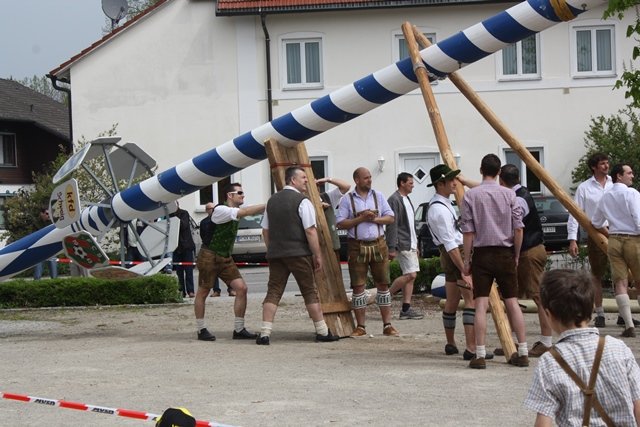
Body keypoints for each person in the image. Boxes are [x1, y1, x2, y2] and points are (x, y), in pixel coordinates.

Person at [524, 269, 640, 426]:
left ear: (548, 314)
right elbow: (637, 408)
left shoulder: (549, 361)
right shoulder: (619, 349)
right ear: (592, 307)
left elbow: (543, 422)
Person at [256, 166, 340, 345]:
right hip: (298, 253)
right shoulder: (303, 201)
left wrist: (272, 249)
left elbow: (265, 230)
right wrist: (317, 255)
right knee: (309, 291)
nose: (306, 180)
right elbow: (310, 231)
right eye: (303, 177)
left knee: (273, 291)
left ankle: (264, 332)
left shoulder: (271, 201)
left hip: (276, 254)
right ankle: (322, 331)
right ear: (292, 180)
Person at [460, 154, 528, 369]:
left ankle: (479, 353)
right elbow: (518, 228)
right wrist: (516, 254)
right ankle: (523, 350)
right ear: (499, 172)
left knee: (481, 303)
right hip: (505, 251)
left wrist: (466, 260)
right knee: (512, 301)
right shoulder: (510, 195)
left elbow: (468, 232)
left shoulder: (471, 196)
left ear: (481, 170)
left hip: (482, 253)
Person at [427, 164, 491, 361]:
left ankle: (450, 343)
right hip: (455, 253)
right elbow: (450, 245)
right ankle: (472, 347)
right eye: (451, 180)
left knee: (452, 300)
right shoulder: (439, 210)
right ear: (440, 183)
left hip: (451, 253)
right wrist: (464, 268)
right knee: (470, 300)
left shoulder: (442, 204)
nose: (455, 182)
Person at [194, 183, 264, 342]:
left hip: (225, 256)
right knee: (203, 292)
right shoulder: (221, 210)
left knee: (242, 288)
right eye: (239, 193)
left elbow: (247, 210)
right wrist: (268, 204)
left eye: (243, 193)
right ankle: (201, 329)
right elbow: (245, 211)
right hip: (209, 255)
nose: (242, 196)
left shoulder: (233, 211)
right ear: (229, 196)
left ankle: (239, 329)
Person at [336, 167, 398, 337]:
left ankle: (387, 325)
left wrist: (374, 219)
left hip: (379, 243)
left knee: (383, 284)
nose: (369, 180)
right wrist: (360, 219)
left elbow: (391, 217)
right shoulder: (347, 199)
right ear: (357, 180)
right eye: (366, 178)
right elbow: (340, 223)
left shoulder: (378, 196)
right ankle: (361, 327)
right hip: (356, 245)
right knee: (358, 286)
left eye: (370, 177)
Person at [498, 164, 552, 357]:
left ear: (501, 180)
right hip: (527, 250)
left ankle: (546, 341)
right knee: (510, 296)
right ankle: (511, 340)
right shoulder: (519, 193)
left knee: (538, 296)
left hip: (528, 251)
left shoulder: (519, 199)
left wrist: (516, 254)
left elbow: (517, 228)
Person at [591, 163, 640, 338]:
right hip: (634, 239)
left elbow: (596, 222)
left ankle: (628, 324)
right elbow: (638, 217)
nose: (632, 176)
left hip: (614, 239)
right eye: (629, 173)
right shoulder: (632, 193)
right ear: (619, 176)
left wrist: (610, 230)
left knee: (620, 282)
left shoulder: (605, 196)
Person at [567, 152, 613, 328]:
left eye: (607, 162)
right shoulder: (584, 188)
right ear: (594, 167)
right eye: (602, 163)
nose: (606, 166)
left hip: (616, 231)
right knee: (597, 275)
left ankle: (624, 315)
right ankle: (600, 312)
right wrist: (573, 239)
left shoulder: (614, 184)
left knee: (620, 275)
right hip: (596, 235)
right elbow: (575, 214)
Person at [386, 172, 423, 320]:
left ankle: (406, 309)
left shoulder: (407, 199)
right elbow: (392, 224)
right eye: (410, 183)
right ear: (402, 183)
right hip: (402, 242)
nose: (413, 185)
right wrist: (392, 246)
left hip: (411, 242)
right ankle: (385, 296)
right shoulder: (394, 200)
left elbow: (410, 224)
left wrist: (416, 243)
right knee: (410, 274)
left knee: (411, 276)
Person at [199, 202, 232, 298]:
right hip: (210, 248)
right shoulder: (204, 222)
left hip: (221, 248)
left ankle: (231, 289)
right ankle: (216, 290)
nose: (212, 210)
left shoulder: (221, 220)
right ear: (206, 210)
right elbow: (202, 235)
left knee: (226, 269)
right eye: (210, 209)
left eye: (213, 208)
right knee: (212, 270)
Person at [315, 176, 351, 264]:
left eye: (316, 185)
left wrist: (327, 179)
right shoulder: (303, 201)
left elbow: (346, 186)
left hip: (332, 246)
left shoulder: (327, 197)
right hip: (314, 248)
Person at [171, 202, 196, 298]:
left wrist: (174, 218)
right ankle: (182, 291)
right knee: (179, 271)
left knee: (188, 270)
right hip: (176, 247)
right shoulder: (169, 215)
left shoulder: (184, 213)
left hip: (186, 246)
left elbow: (183, 225)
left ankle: (191, 291)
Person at [33, 207, 58, 280]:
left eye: (49, 214)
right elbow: (35, 236)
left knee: (54, 272)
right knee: (38, 272)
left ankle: (55, 285)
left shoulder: (52, 223)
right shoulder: (36, 223)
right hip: (39, 249)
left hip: (51, 249)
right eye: (47, 213)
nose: (48, 215)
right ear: (41, 214)